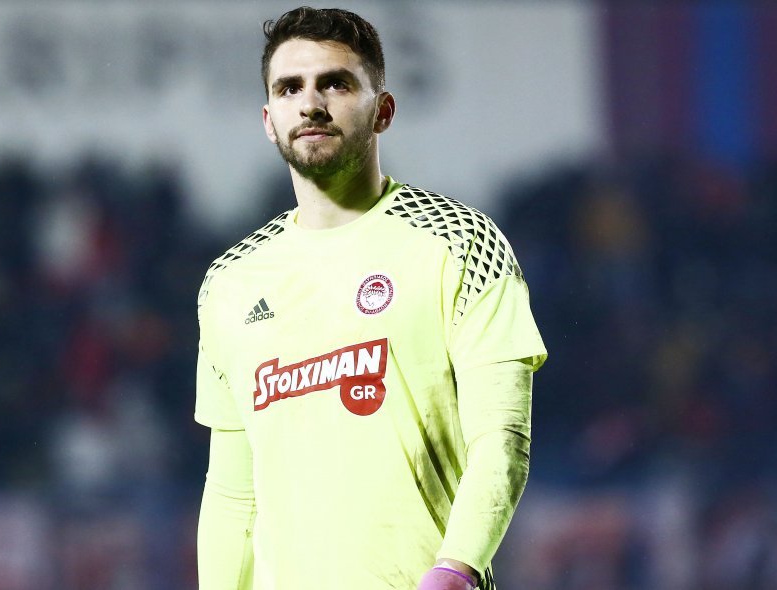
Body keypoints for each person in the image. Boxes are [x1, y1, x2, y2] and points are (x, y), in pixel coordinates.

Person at [193, 6, 546, 590]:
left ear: (382, 110)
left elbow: (501, 441)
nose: (311, 103)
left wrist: (454, 571)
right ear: (269, 120)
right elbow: (233, 494)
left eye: (335, 83)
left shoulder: (462, 243)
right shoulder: (230, 283)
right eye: (289, 88)